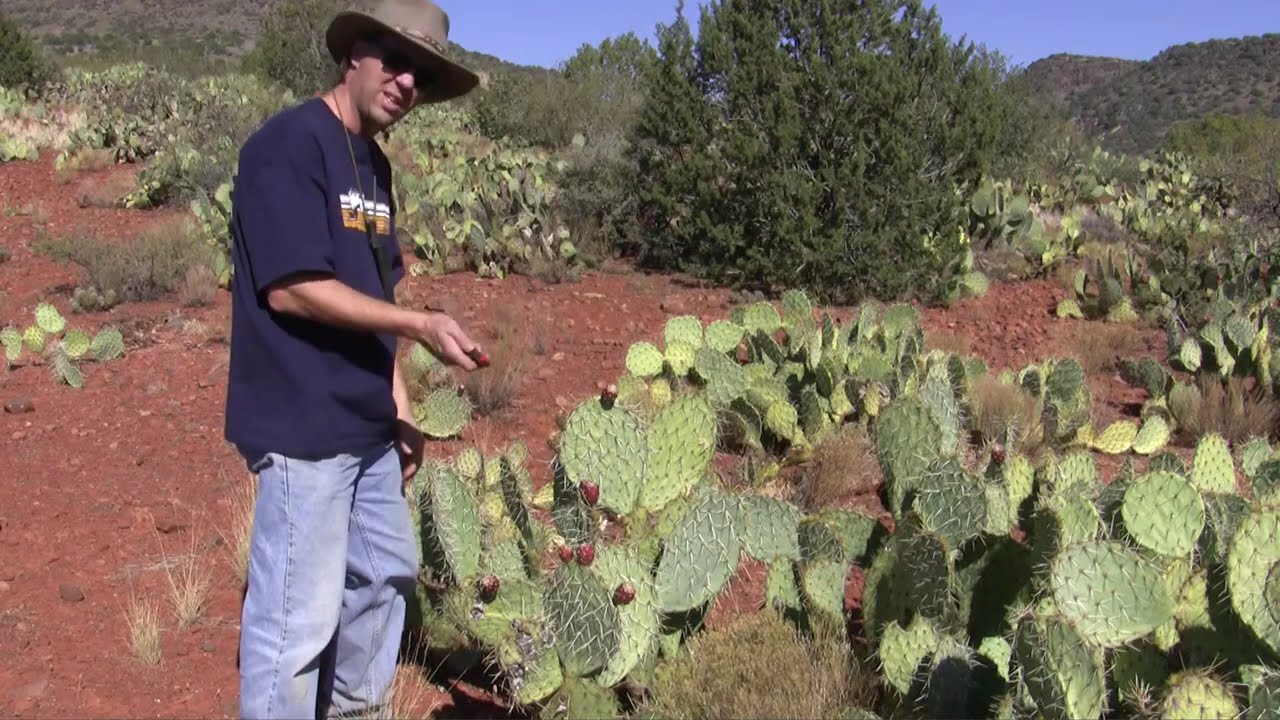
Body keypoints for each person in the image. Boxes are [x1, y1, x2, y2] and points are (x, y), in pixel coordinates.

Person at [222, 1, 484, 717]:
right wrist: (420, 325)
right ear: (353, 56)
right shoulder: (288, 144)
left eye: (422, 75)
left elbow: (375, 289)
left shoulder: (373, 164)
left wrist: (399, 404)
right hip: (302, 422)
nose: (407, 82)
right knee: (295, 622)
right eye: (395, 61)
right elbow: (292, 289)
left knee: (384, 581)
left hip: (366, 424)